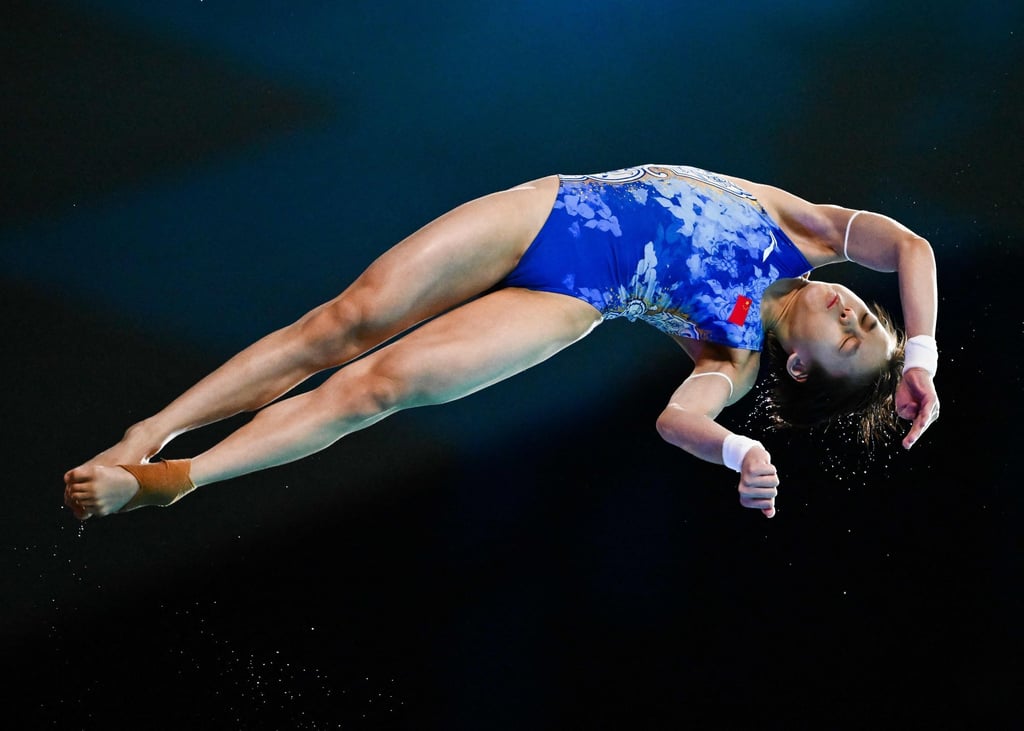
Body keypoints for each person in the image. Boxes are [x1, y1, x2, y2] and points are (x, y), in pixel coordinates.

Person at [63, 164, 939, 521]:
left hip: (578, 298)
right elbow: (912, 248)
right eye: (867, 315)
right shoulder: (808, 230)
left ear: (801, 366)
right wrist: (922, 356)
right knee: (344, 321)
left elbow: (678, 421)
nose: (859, 316)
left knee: (380, 386)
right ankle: (152, 431)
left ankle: (175, 479)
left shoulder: (738, 354)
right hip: (558, 208)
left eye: (852, 342)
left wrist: (737, 448)